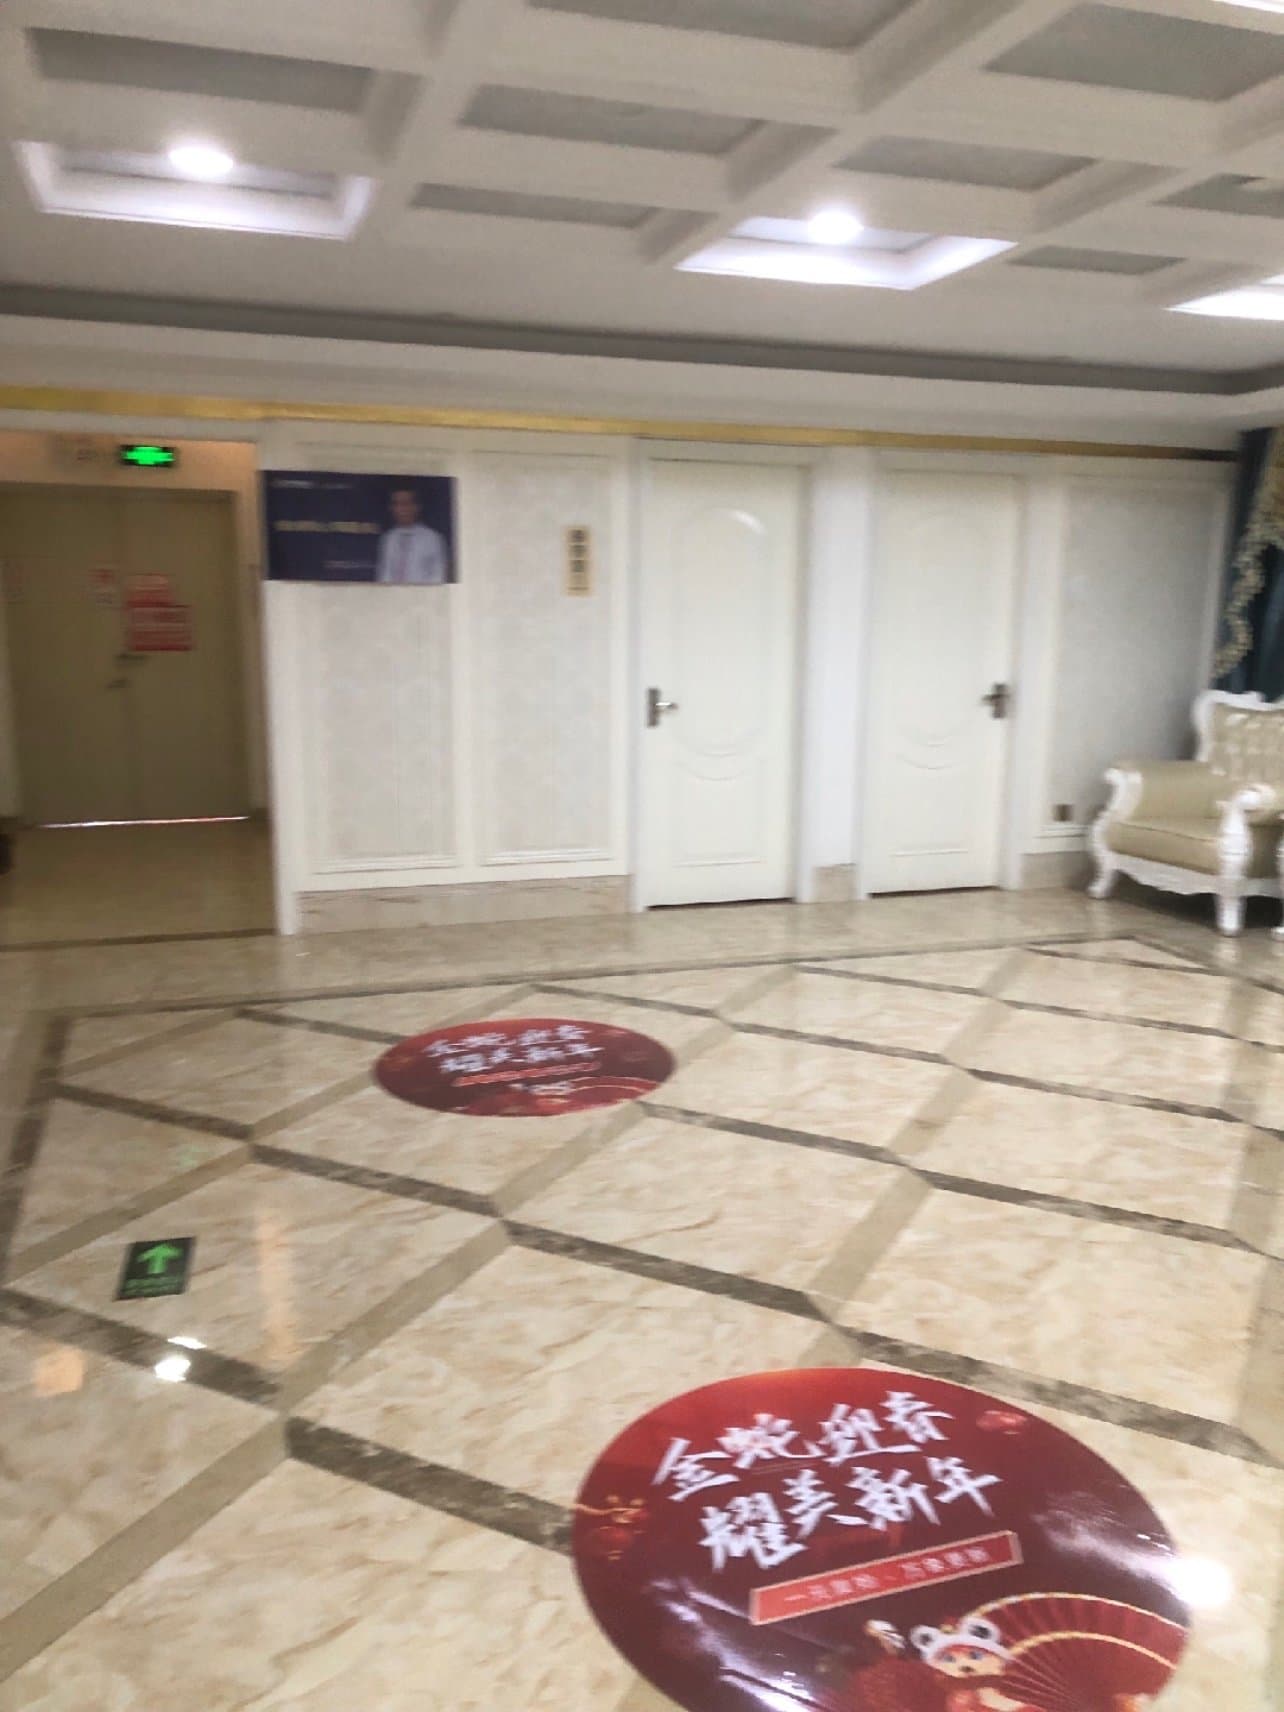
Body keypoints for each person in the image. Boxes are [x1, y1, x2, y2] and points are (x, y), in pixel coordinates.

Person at [374, 486, 450, 585]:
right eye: (397, 504)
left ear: (417, 507)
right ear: (391, 508)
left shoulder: (433, 538)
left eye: (406, 503)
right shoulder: (388, 539)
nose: (402, 509)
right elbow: (384, 574)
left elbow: (438, 575)